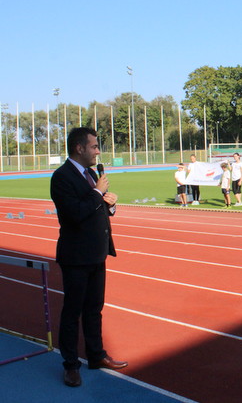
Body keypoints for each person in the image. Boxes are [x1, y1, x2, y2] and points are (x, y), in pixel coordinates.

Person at [50, 127, 127, 388]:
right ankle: (71, 365)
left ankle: (96, 356)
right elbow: (74, 214)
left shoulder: (92, 174)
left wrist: (111, 204)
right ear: (79, 148)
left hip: (96, 253)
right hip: (75, 256)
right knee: (73, 312)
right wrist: (96, 193)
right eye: (94, 146)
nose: (98, 151)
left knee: (94, 310)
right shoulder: (61, 177)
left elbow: (97, 210)